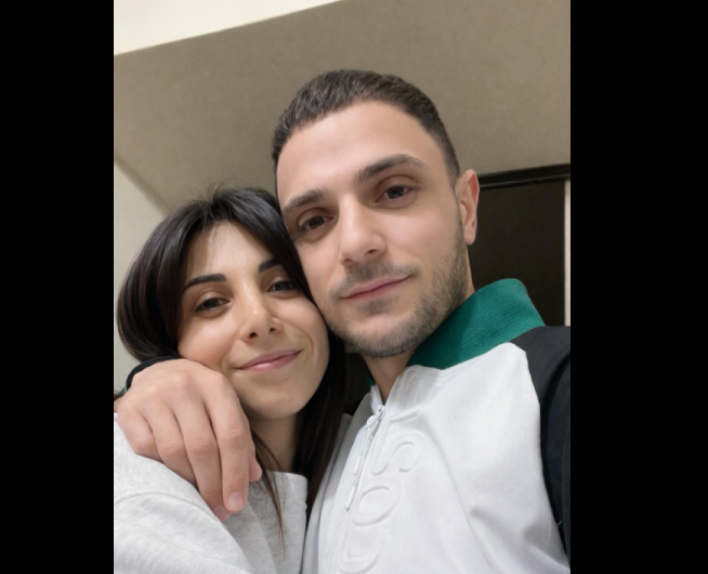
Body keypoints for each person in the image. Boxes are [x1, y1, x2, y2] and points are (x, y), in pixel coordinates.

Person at [116, 70, 570, 572]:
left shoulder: (553, 387)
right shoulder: (335, 442)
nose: (355, 243)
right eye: (314, 221)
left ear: (466, 207)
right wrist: (153, 377)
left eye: (394, 191)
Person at [114, 186, 346, 573]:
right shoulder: (139, 480)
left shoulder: (366, 439)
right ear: (167, 343)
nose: (260, 320)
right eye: (210, 303)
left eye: (283, 284)